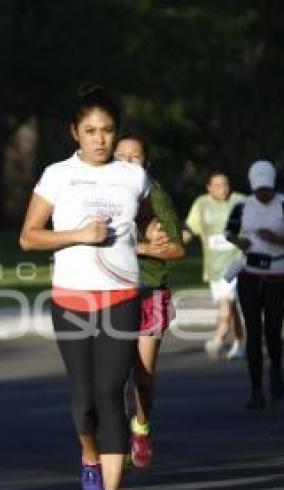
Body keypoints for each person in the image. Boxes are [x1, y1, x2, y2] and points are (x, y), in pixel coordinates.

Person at [19, 85, 151, 490]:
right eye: (90, 130)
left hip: (121, 296)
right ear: (75, 132)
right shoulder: (58, 174)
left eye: (107, 130)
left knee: (111, 391)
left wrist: (159, 240)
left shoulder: (133, 176)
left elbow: (149, 223)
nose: (99, 139)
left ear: (117, 133)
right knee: (83, 402)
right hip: (72, 298)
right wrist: (77, 235)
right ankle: (90, 456)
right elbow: (29, 236)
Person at [114, 134, 185, 469]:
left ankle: (140, 428)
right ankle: (114, 437)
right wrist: (141, 247)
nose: (128, 161)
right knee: (111, 375)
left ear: (146, 162)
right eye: (121, 155)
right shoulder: (99, 196)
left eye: (135, 157)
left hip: (149, 291)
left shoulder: (157, 196)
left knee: (142, 375)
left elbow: (176, 249)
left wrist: (156, 248)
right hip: (110, 290)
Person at [224, 160, 284, 409]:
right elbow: (229, 232)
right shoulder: (242, 207)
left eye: (267, 189)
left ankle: (276, 370)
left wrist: (278, 239)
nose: (263, 194)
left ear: (274, 185)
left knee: (273, 331)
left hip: (278, 273)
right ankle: (256, 390)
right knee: (253, 329)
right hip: (250, 273)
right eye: (259, 189)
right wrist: (239, 242)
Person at [182, 171, 246, 359]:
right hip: (214, 267)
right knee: (231, 305)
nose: (222, 188)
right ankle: (239, 342)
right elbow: (190, 228)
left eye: (225, 184)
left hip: (237, 263)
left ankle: (218, 337)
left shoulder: (241, 201)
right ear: (208, 187)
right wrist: (177, 243)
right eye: (217, 185)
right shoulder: (201, 204)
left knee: (226, 302)